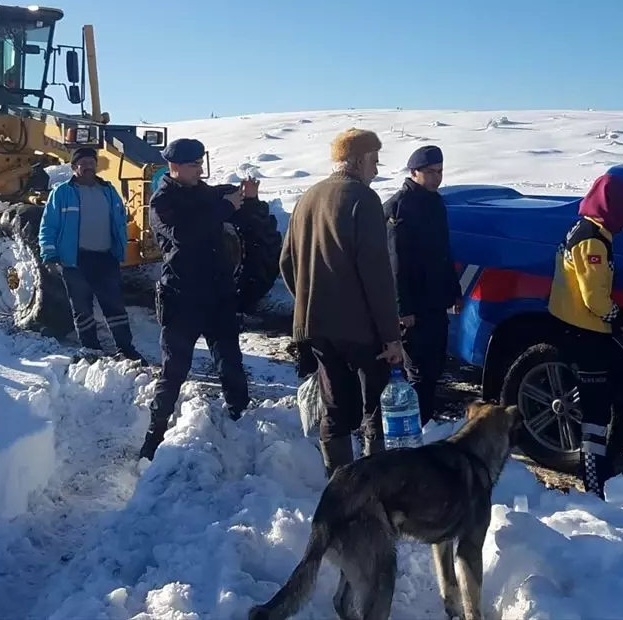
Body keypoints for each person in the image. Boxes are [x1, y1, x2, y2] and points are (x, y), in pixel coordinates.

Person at [279, 128, 404, 476]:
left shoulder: (308, 197)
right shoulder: (362, 200)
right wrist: (391, 336)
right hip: (362, 330)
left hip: (317, 328)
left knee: (334, 410)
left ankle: (340, 485)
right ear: (359, 159)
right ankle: (377, 485)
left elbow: (286, 262)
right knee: (375, 409)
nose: (376, 170)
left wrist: (309, 302)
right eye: (374, 162)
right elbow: (377, 275)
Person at [138, 138, 254, 460]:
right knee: (174, 370)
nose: (199, 170)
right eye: (193, 166)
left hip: (217, 295)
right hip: (182, 297)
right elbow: (186, 235)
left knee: (230, 361)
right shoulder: (162, 202)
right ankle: (154, 436)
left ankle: (240, 422)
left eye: (200, 164)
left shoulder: (203, 192)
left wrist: (245, 195)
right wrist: (225, 207)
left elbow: (222, 199)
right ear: (174, 168)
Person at [547, 173, 623, 498]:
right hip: (584, 333)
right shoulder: (594, 241)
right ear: (615, 209)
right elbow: (594, 298)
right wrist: (619, 318)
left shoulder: (587, 230)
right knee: (595, 412)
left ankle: (604, 464)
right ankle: (594, 482)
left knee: (619, 394)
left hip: (578, 329)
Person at [383, 145, 461, 427]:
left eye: (440, 172)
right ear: (414, 172)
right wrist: (403, 309)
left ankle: (425, 421)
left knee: (434, 366)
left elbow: (443, 251)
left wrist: (454, 290)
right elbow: (396, 264)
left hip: (435, 300)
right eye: (430, 172)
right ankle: (414, 426)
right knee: (417, 370)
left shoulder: (435, 202)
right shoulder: (400, 207)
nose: (436, 177)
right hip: (413, 305)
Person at [39, 146, 141, 361]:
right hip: (76, 259)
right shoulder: (62, 193)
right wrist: (49, 254)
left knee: (114, 305)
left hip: (105, 257)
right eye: (82, 164)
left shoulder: (108, 190)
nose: (88, 167)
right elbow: (48, 226)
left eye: (91, 163)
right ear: (74, 167)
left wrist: (119, 248)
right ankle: (91, 348)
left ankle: (126, 348)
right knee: (82, 307)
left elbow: (120, 219)